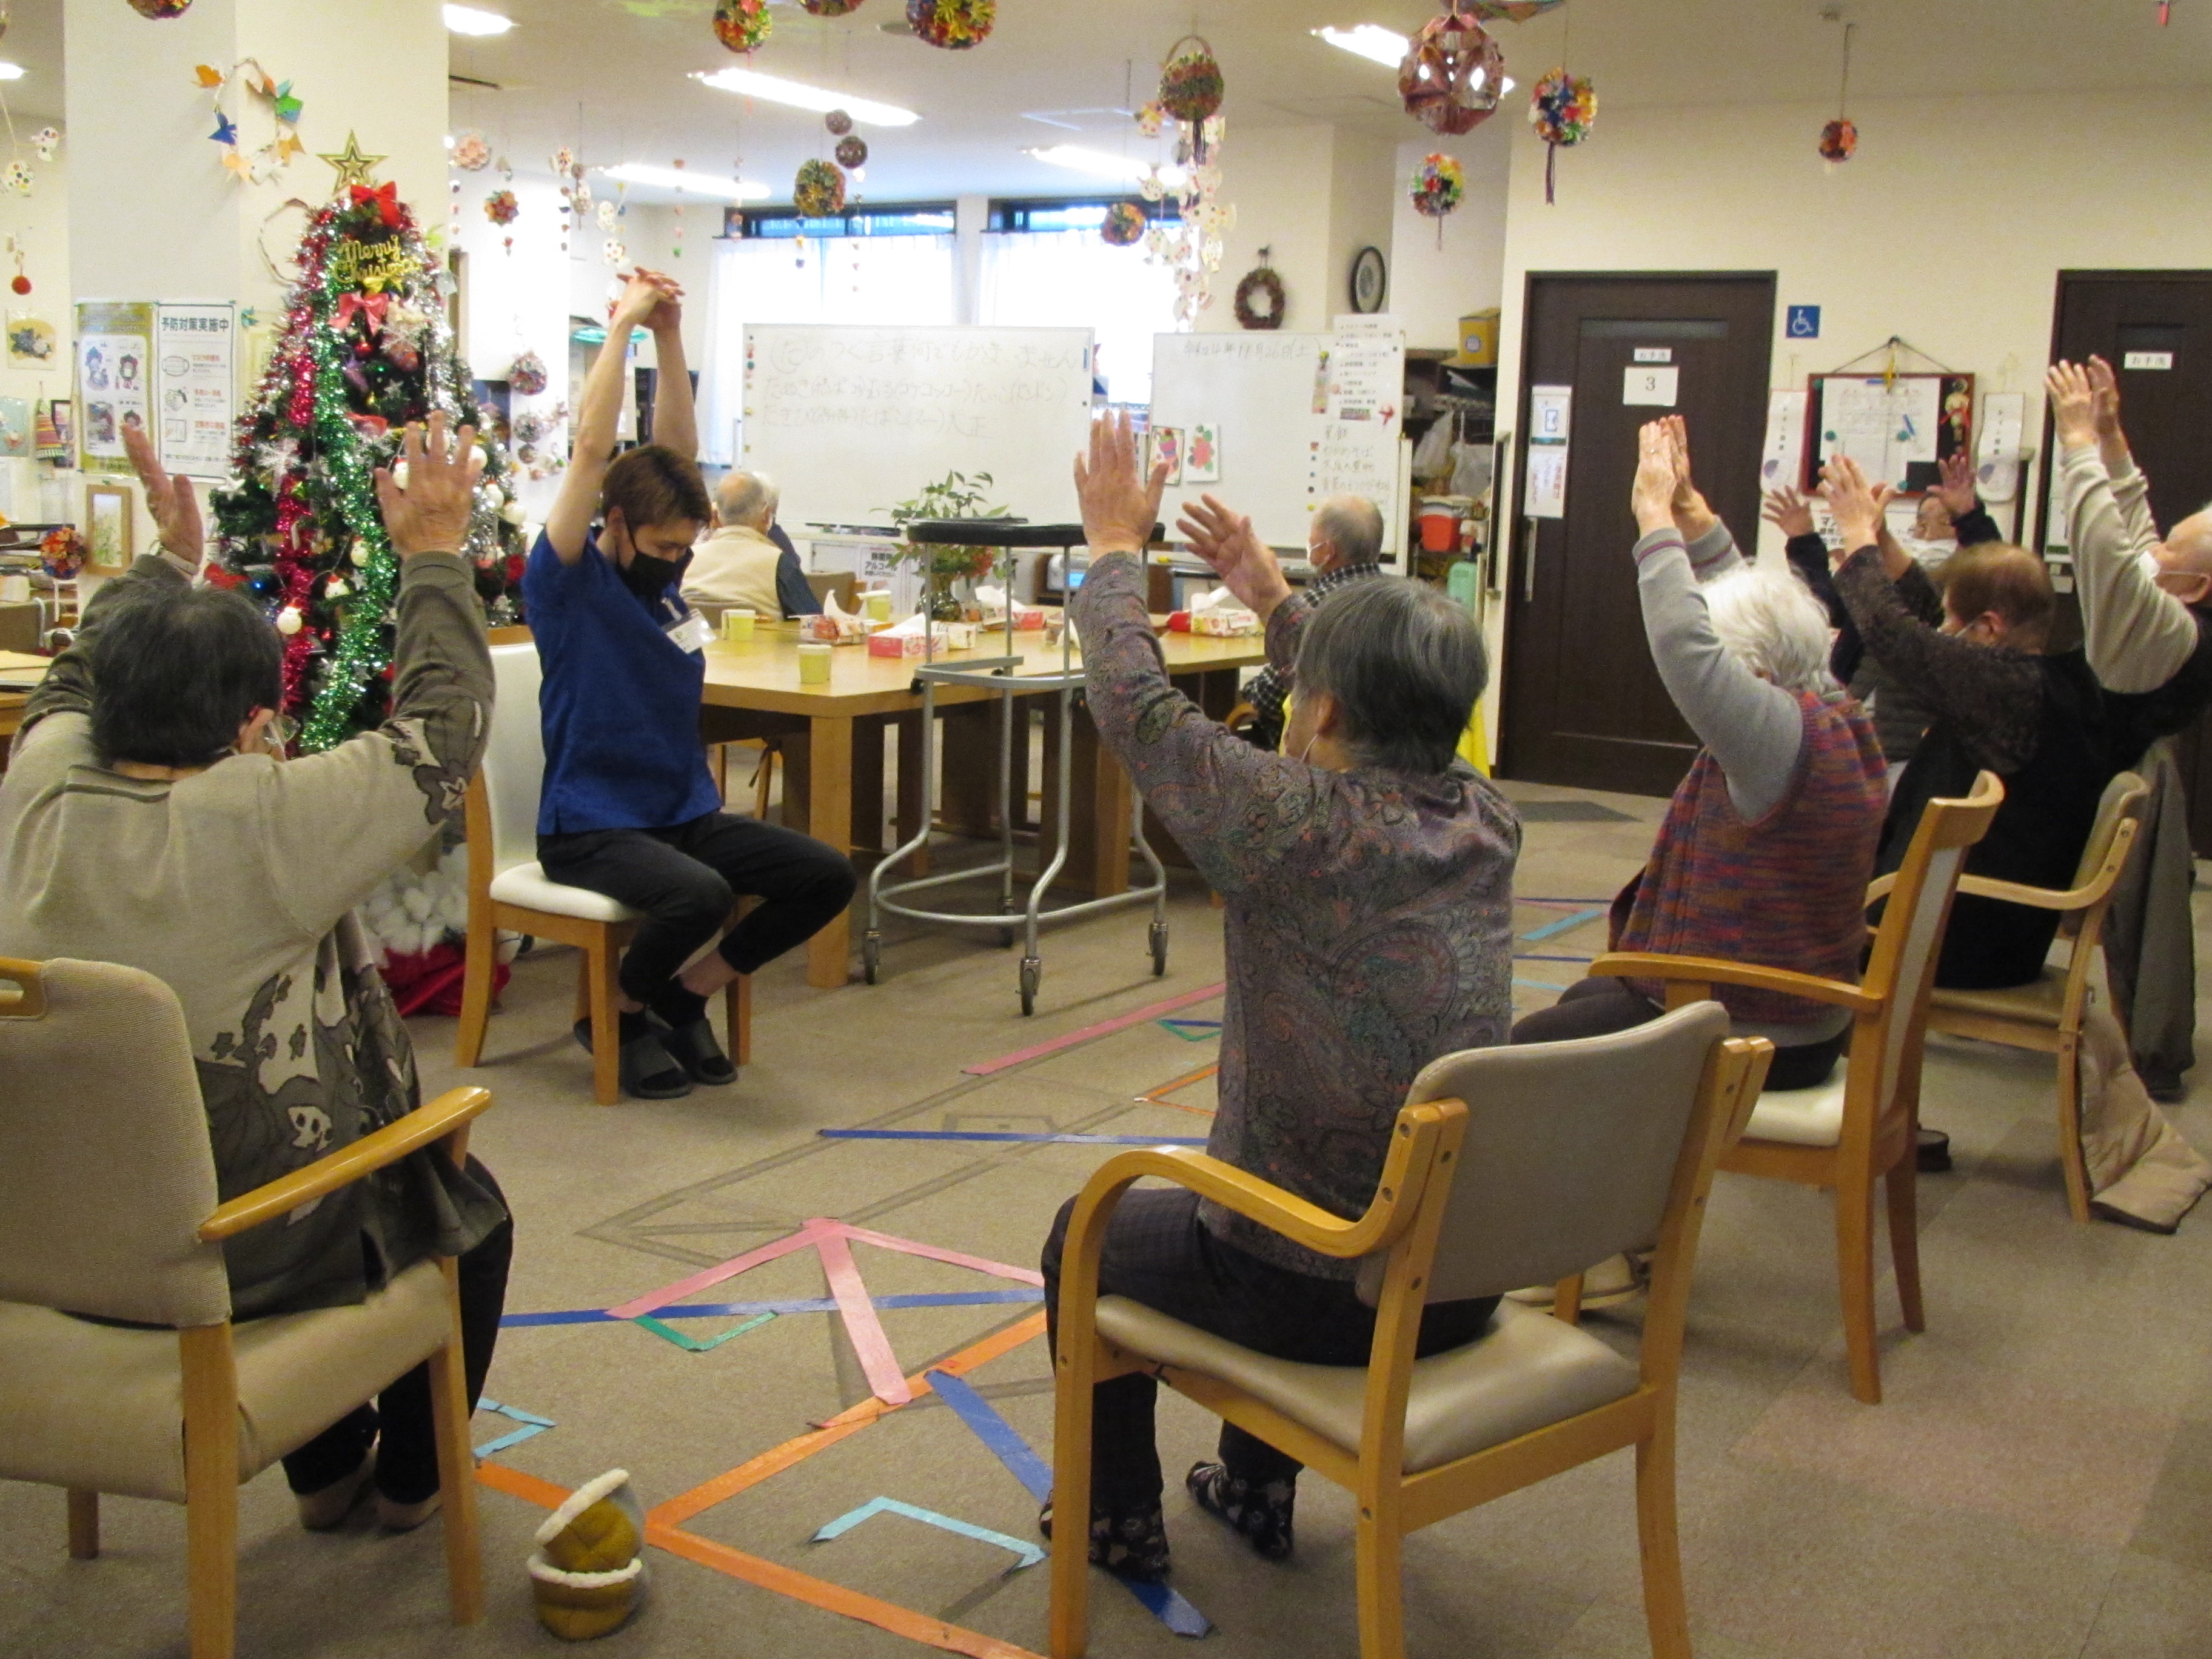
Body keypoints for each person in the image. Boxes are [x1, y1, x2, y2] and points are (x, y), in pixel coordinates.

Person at [0, 415, 511, 1535]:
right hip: (231, 1252)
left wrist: (167, 561)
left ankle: (322, 1474)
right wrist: (432, 549)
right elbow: (447, 725)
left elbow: (69, 683)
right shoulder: (260, 818)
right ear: (253, 721)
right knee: (463, 1215)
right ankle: (409, 1489)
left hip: (48, 1227)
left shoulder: (36, 784)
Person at [1039, 412, 1517, 1581]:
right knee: (1294, 1180)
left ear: (1326, 714)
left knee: (1080, 1237)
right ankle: (1254, 1488)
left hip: (1319, 1288)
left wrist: (1113, 549)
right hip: (1459, 1274)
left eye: (1306, 692)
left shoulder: (1294, 827)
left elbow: (1138, 712)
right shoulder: (1482, 815)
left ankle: (1114, 1516)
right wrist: (1269, 591)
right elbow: (1391, 702)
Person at [526, 270, 854, 1100]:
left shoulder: (667, 580)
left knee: (824, 874)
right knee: (699, 898)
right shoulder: (567, 583)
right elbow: (592, 453)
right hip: (592, 825)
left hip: (681, 814)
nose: (682, 559)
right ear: (616, 525)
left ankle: (685, 996)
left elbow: (674, 449)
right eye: (667, 546)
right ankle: (622, 1014)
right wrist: (623, 327)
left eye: (687, 545)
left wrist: (672, 338)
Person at [1511, 418, 1886, 1092]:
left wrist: (1653, 518)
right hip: (1803, 1014)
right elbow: (1756, 607)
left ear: (1750, 676)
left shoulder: (1773, 737)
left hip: (1753, 1029)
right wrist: (1697, 519)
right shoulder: (1831, 708)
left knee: (1513, 1060)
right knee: (1575, 1009)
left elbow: (1687, 646)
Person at [1821, 453, 2139, 991]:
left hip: (1959, 938)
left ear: (1990, 628)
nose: (1941, 628)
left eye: (1954, 620)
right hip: (1995, 929)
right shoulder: (2057, 677)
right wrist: (1882, 539)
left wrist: (1855, 533)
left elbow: (1901, 640)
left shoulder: (2007, 689)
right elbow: (1924, 618)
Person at [2046, 356, 2212, 1098]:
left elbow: (2107, 552)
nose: (2155, 546)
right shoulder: (2177, 602)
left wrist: (2078, 445)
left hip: (2090, 786)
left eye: (2170, 548)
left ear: (2194, 583)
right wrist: (2113, 441)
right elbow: (2137, 528)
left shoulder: (2164, 631)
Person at [1772, 452, 2004, 774]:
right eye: (1919, 522)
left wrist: (1862, 532)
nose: (1923, 532)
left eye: (1941, 521)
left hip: (1899, 747)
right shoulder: (1896, 571)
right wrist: (1808, 539)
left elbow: (1983, 575)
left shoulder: (1960, 587)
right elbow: (1832, 605)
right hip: (1852, 719)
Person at [1240, 492, 1387, 750]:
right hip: (1385, 750)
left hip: (1324, 752)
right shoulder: (1402, 602)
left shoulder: (1314, 607)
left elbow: (1270, 697)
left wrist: (1249, 690)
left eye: (1312, 543)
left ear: (1326, 552)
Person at [683, 469, 788, 617]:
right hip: (757, 639)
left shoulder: (687, 558)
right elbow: (812, 618)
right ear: (766, 515)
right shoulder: (778, 562)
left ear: (715, 515)